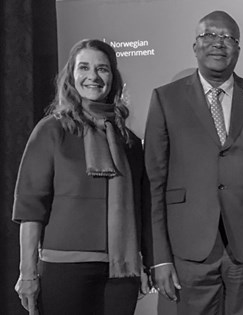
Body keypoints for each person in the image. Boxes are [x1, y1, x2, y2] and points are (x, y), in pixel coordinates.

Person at [144, 10, 243, 315]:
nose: (218, 43)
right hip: (188, 250)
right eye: (209, 35)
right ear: (195, 46)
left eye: (228, 38)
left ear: (238, 48)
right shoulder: (165, 99)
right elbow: (154, 183)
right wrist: (160, 257)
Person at [13, 39, 149, 315]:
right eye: (84, 67)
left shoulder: (129, 142)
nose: (93, 77)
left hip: (120, 274)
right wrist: (28, 274)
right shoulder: (51, 131)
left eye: (103, 69)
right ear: (71, 76)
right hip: (63, 270)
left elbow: (142, 208)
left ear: (113, 77)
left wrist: (143, 262)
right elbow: (30, 209)